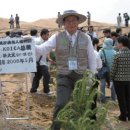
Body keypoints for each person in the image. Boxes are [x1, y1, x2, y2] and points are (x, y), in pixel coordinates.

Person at [35, 10, 96, 130]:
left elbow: (91, 57)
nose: (71, 23)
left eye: (74, 20)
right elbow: (42, 49)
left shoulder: (86, 38)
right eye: (68, 20)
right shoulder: (57, 37)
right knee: (61, 103)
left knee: (81, 105)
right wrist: (30, 44)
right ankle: (55, 128)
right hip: (64, 75)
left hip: (81, 76)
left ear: (78, 22)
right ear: (63, 23)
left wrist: (91, 76)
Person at [111, 36, 130, 121]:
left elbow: (113, 69)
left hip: (118, 80)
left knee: (121, 98)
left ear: (121, 44)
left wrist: (111, 79)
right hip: (129, 80)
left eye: (118, 43)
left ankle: (123, 116)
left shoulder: (117, 55)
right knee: (128, 97)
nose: (117, 44)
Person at [30, 28, 52, 94]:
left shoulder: (43, 41)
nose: (48, 36)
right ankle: (46, 91)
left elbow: (45, 52)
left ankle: (33, 90)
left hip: (40, 62)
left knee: (37, 76)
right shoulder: (39, 42)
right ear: (43, 35)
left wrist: (48, 58)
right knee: (47, 75)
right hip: (40, 62)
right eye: (47, 35)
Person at [98, 38, 116, 103]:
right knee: (112, 84)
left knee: (102, 84)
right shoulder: (114, 52)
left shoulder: (101, 51)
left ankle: (102, 99)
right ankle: (113, 98)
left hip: (103, 70)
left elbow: (98, 59)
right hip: (112, 71)